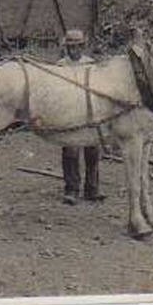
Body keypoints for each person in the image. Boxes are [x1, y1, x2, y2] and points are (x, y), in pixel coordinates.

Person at [59, 29, 104, 205]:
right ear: (67, 48)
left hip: (90, 112)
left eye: (77, 46)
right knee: (71, 151)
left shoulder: (91, 64)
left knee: (93, 151)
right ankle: (71, 190)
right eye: (71, 47)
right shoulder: (61, 65)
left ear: (83, 47)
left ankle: (92, 189)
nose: (74, 50)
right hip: (69, 113)